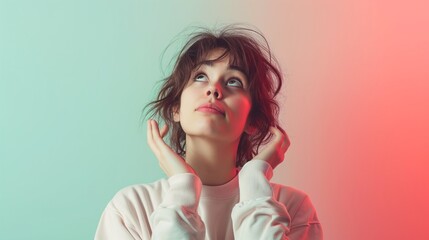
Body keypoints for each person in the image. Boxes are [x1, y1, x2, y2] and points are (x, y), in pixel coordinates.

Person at [94, 25, 323, 240]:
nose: (214, 89)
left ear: (252, 120)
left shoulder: (293, 208)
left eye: (234, 81)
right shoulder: (130, 209)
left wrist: (255, 180)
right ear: (176, 108)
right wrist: (183, 189)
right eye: (200, 77)